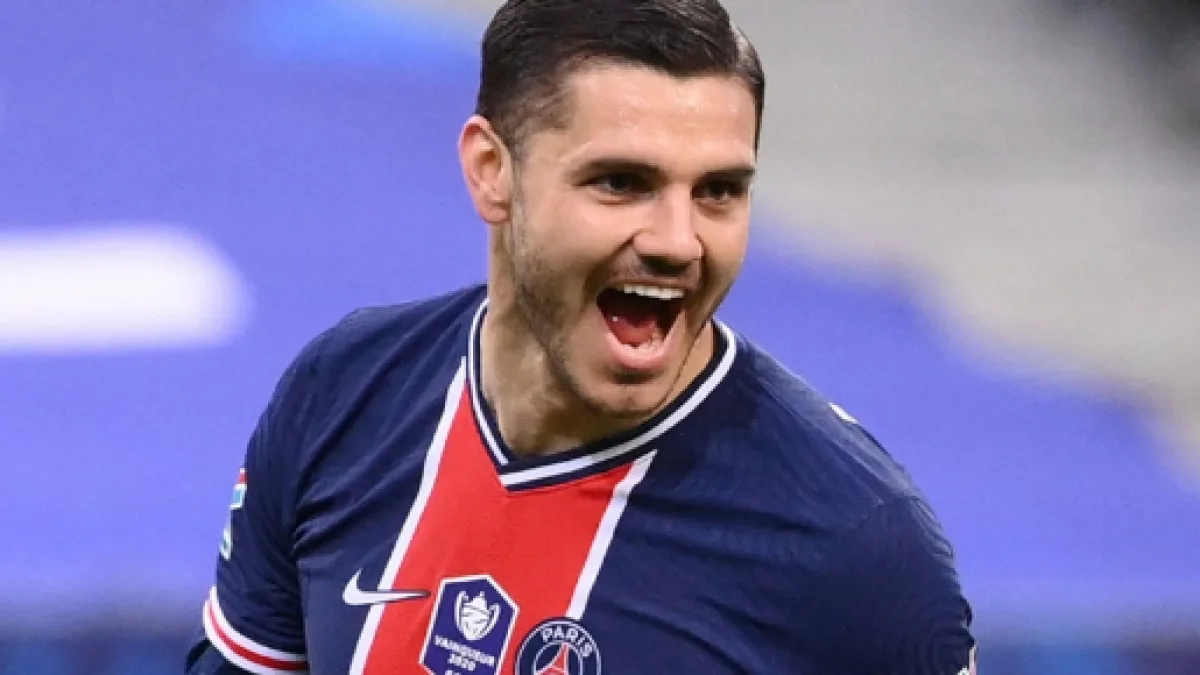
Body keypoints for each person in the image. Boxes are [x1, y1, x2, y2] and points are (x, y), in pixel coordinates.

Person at [186, 0, 977, 673]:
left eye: (718, 191)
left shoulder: (854, 541)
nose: (678, 241)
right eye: (622, 182)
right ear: (491, 170)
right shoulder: (343, 393)